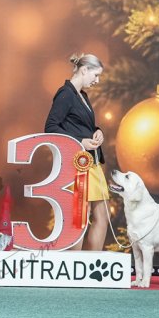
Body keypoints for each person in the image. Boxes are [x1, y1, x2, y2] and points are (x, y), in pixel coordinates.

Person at [44, 52, 109, 251]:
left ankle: (92, 262)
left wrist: (97, 131)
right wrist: (80, 141)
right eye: (95, 75)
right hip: (78, 164)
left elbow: (81, 125)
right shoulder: (65, 94)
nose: (97, 81)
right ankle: (76, 262)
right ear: (84, 70)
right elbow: (50, 127)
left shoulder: (82, 96)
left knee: (102, 215)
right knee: (81, 215)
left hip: (92, 162)